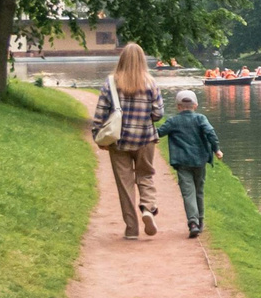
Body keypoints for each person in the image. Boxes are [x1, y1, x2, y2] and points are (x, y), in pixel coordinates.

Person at [90, 42, 166, 240]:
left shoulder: (110, 83)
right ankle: (148, 209)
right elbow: (158, 114)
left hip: (119, 141)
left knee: (125, 185)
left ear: (121, 59)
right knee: (146, 176)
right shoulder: (151, 83)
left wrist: (98, 136)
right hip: (145, 139)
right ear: (142, 60)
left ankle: (131, 229)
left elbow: (99, 114)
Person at [157, 88, 222, 239]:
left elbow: (159, 133)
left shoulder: (173, 121)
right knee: (199, 191)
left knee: (188, 192)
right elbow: (210, 132)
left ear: (178, 106)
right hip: (199, 160)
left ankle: (192, 223)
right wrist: (216, 149)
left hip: (182, 162)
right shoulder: (200, 119)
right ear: (195, 105)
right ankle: (200, 222)